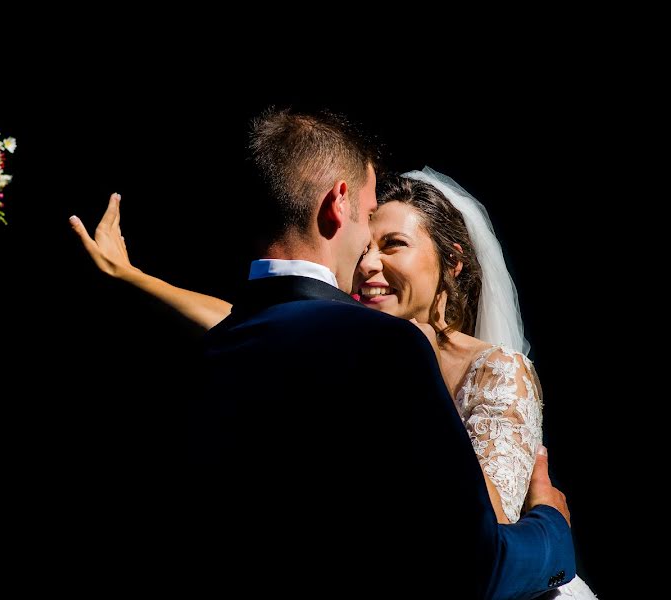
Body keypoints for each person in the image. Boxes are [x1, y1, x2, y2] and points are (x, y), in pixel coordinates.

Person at [69, 109, 576, 598]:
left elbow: (483, 529)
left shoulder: (486, 368)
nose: (368, 262)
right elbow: (472, 560)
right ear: (340, 205)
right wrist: (552, 525)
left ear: (452, 262)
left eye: (394, 243)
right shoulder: (375, 347)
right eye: (369, 236)